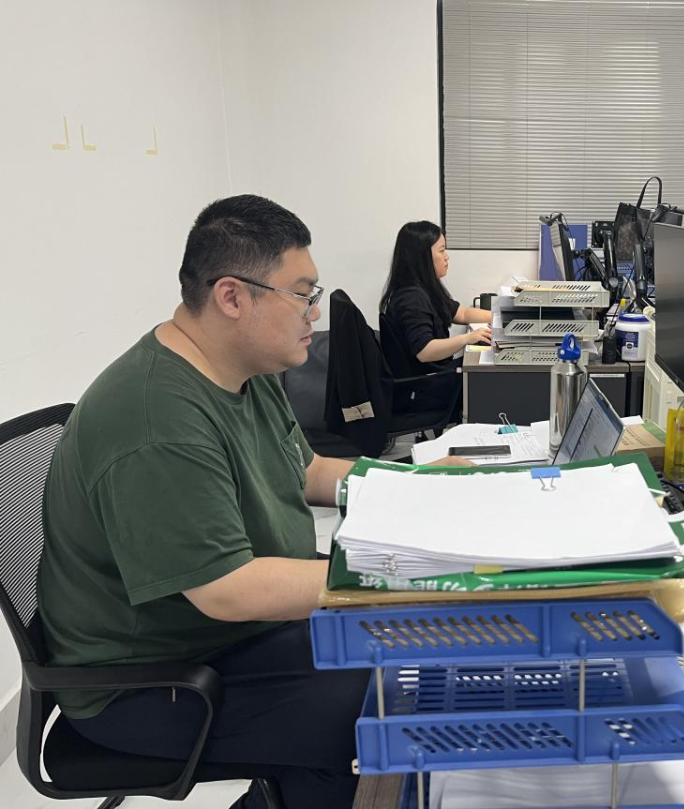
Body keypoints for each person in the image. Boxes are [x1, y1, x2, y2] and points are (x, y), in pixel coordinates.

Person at [37, 194, 468, 809]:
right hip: (154, 679)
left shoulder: (243, 369)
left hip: (228, 635)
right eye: (303, 295)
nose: (314, 315)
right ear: (233, 297)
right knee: (375, 706)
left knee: (404, 648)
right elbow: (227, 591)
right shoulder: (158, 419)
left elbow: (308, 471)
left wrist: (414, 485)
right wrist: (400, 572)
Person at [378, 220, 492, 380]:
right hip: (426, 382)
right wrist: (467, 338)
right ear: (422, 257)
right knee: (490, 372)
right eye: (441, 250)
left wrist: (498, 318)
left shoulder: (425, 288)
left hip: (435, 373)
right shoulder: (412, 298)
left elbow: (462, 314)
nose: (447, 257)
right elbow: (424, 351)